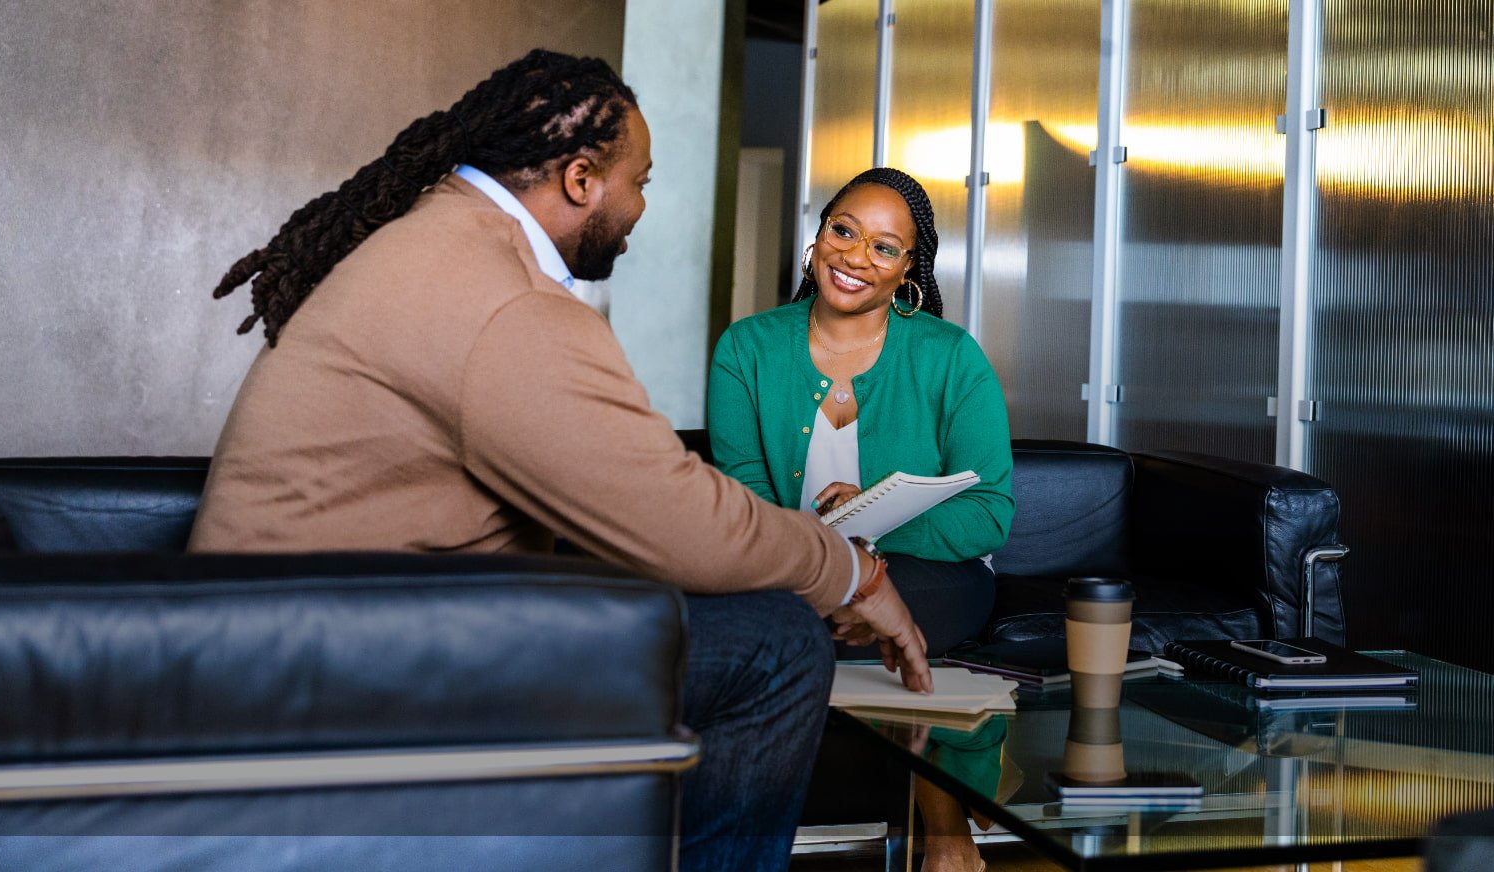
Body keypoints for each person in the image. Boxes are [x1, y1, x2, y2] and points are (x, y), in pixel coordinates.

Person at [188, 50, 929, 872]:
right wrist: (851, 571)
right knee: (778, 645)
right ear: (582, 180)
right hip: (341, 678)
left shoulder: (437, 246)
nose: (642, 207)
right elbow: (674, 516)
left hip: (301, 644)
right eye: (639, 182)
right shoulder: (503, 302)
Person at [706, 167, 1013, 872]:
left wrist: (874, 522)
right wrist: (832, 566)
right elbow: (745, 500)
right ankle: (940, 824)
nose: (854, 257)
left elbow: (990, 513)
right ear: (818, 237)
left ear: (909, 268)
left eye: (883, 247)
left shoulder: (949, 356)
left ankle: (942, 829)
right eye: (843, 231)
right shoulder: (747, 349)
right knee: (821, 609)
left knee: (874, 608)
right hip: (786, 566)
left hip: (929, 573)